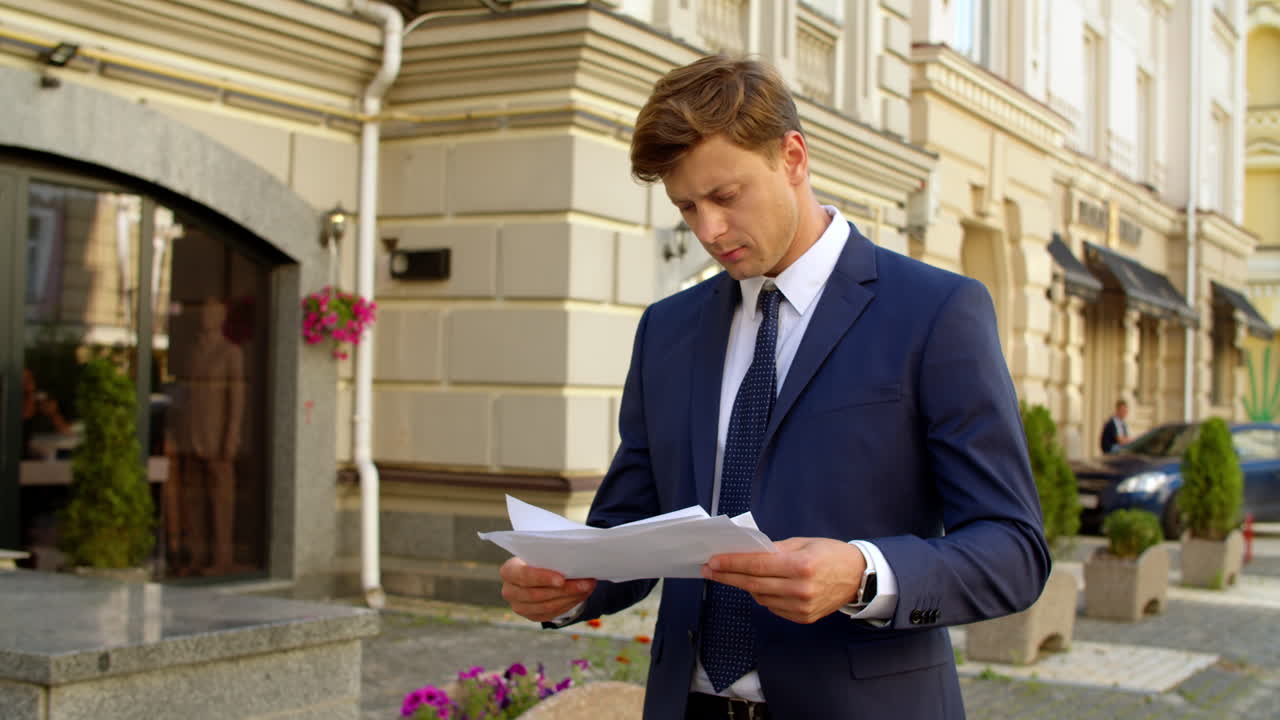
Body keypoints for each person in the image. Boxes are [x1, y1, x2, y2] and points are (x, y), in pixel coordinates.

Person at [499, 55, 1050, 720]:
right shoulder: (666, 329)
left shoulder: (936, 312)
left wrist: (864, 573)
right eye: (686, 207)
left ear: (793, 157)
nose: (707, 231)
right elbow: (632, 525)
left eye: (725, 197)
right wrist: (577, 580)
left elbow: (1014, 550)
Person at [21, 368, 72, 460]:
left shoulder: (43, 403)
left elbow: (65, 431)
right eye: (23, 379)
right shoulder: (9, 406)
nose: (26, 382)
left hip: (43, 459)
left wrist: (53, 414)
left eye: (28, 378)